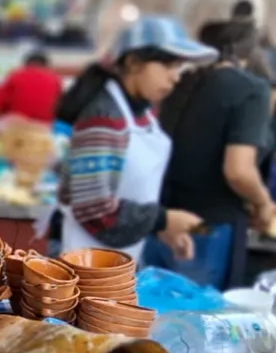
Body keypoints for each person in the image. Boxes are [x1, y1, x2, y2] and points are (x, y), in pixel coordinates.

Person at [56, 15, 216, 261]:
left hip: (118, 260)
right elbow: (93, 208)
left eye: (178, 67)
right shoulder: (104, 119)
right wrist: (163, 219)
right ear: (132, 62)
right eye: (167, 65)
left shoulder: (143, 113)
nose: (175, 77)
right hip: (87, 268)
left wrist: (162, 229)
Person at [147, 19, 275, 288]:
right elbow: (238, 171)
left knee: (153, 315)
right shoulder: (252, 90)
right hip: (210, 229)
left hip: (162, 222)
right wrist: (263, 203)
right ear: (249, 53)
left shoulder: (177, 82)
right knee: (197, 319)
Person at [0, 49, 63, 124]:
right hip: (45, 126)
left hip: (17, 124)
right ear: (46, 65)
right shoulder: (55, 79)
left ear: (26, 64)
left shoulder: (16, 76)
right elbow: (58, 105)